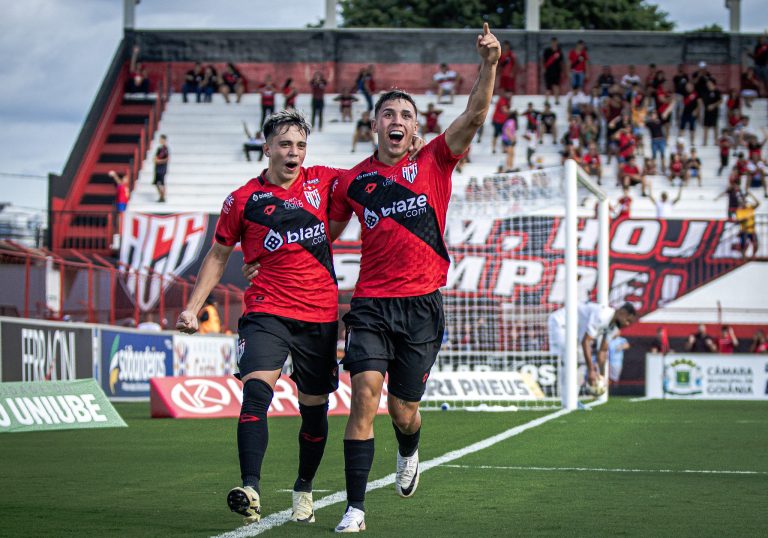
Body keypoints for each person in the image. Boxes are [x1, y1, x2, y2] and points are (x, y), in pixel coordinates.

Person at [326, 24, 500, 533]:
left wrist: (489, 64)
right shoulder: (353, 181)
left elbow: (475, 113)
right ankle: (355, 508)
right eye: (388, 114)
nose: (396, 120)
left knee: (404, 411)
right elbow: (323, 233)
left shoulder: (435, 161)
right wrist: (268, 258)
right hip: (372, 306)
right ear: (374, 126)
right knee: (363, 396)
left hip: (423, 306)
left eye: (406, 115)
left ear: (417, 131)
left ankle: (409, 448)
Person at [176, 110, 343, 526]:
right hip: (266, 310)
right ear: (266, 148)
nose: (294, 153)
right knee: (255, 394)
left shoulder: (323, 181)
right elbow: (217, 254)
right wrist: (192, 308)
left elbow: (370, 175)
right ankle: (250, 488)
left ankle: (304, 486)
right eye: (285, 145)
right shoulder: (243, 199)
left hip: (319, 316)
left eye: (301, 145)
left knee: (314, 411)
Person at [547, 302, 638, 389]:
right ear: (622, 313)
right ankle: (562, 396)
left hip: (575, 333)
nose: (627, 324)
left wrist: (602, 377)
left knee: (580, 362)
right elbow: (586, 341)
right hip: (561, 323)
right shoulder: (602, 315)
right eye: (628, 321)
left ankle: (572, 399)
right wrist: (591, 370)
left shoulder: (613, 327)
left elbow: (602, 352)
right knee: (568, 358)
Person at [735, 192, 761, 258]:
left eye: (744, 201)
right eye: (741, 202)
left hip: (752, 230)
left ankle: (753, 256)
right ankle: (744, 256)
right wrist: (744, 219)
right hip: (744, 230)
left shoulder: (750, 208)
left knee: (756, 244)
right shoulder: (739, 211)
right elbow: (739, 220)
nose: (743, 203)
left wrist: (751, 195)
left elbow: (758, 203)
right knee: (743, 245)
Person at [542, 37, 564, 104]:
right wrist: (544, 68)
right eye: (553, 42)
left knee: (556, 86)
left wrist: (562, 71)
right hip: (548, 71)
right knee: (548, 87)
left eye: (555, 42)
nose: (554, 43)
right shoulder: (547, 51)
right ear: (551, 43)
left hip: (557, 71)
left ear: (557, 43)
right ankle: (546, 101)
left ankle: (557, 100)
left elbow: (561, 62)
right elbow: (543, 60)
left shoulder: (559, 52)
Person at [153, 134, 169, 203]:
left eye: (161, 139)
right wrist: (156, 160)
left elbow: (167, 159)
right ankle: (161, 196)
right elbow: (155, 158)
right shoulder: (159, 149)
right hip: (157, 168)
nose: (160, 140)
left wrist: (159, 161)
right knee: (156, 183)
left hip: (162, 168)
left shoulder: (165, 149)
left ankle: (163, 197)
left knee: (162, 183)